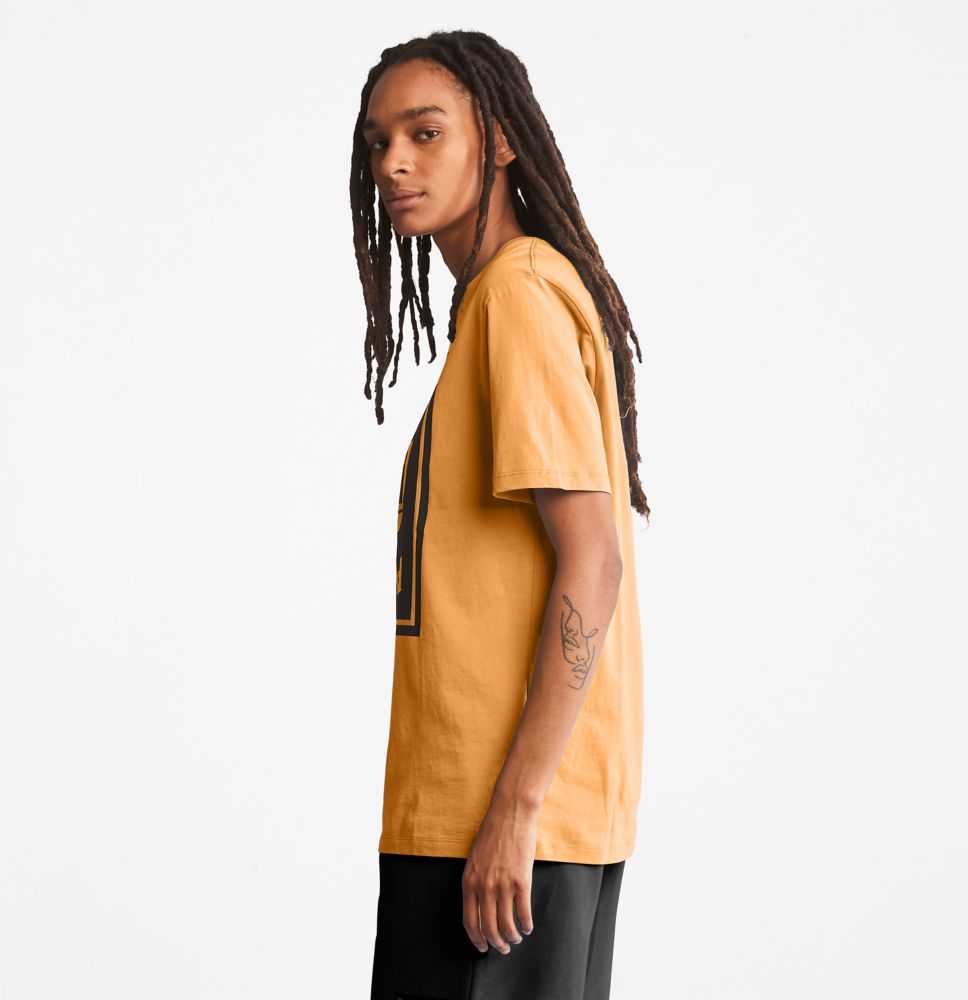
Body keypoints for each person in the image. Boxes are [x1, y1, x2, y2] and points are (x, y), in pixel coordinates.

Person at [351, 29, 649, 1000]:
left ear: (502, 138)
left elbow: (592, 561)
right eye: (378, 141)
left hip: (499, 828)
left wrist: (515, 810)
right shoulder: (510, 296)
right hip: (497, 821)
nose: (394, 163)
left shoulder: (517, 295)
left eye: (426, 132)